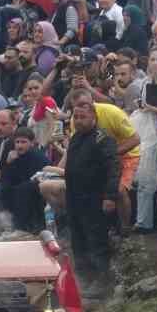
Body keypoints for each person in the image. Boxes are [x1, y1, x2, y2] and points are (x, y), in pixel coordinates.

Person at [63, 93, 122, 298]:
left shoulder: (103, 139)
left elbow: (114, 169)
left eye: (83, 117)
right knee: (78, 241)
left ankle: (103, 283)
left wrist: (110, 197)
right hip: (75, 198)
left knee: (96, 241)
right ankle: (84, 280)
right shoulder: (76, 138)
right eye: (76, 117)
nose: (78, 121)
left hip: (95, 198)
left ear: (94, 117)